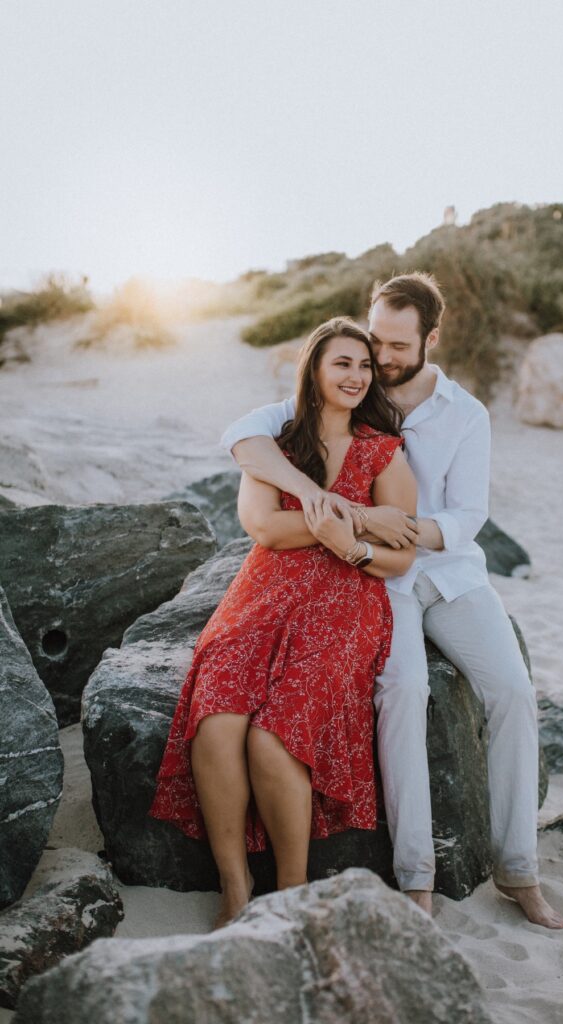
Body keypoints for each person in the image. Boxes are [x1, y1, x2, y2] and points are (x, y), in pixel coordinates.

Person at [221, 273, 563, 929]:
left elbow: (469, 514)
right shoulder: (348, 384)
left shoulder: (465, 414)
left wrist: (406, 528)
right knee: (403, 690)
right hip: (379, 580)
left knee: (514, 692)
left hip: (451, 571)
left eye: (395, 345)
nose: (378, 356)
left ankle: (519, 871)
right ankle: (417, 878)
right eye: (374, 337)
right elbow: (243, 435)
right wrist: (331, 505)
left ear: (430, 340)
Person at [148, 317, 417, 929]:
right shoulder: (279, 444)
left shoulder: (383, 449)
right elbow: (264, 528)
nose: (355, 376)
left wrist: (348, 543)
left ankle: (292, 894)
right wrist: (353, 515)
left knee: (274, 739)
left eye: (364, 365)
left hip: (348, 599)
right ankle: (235, 887)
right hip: (261, 596)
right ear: (315, 371)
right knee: (216, 721)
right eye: (341, 363)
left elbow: (402, 549)